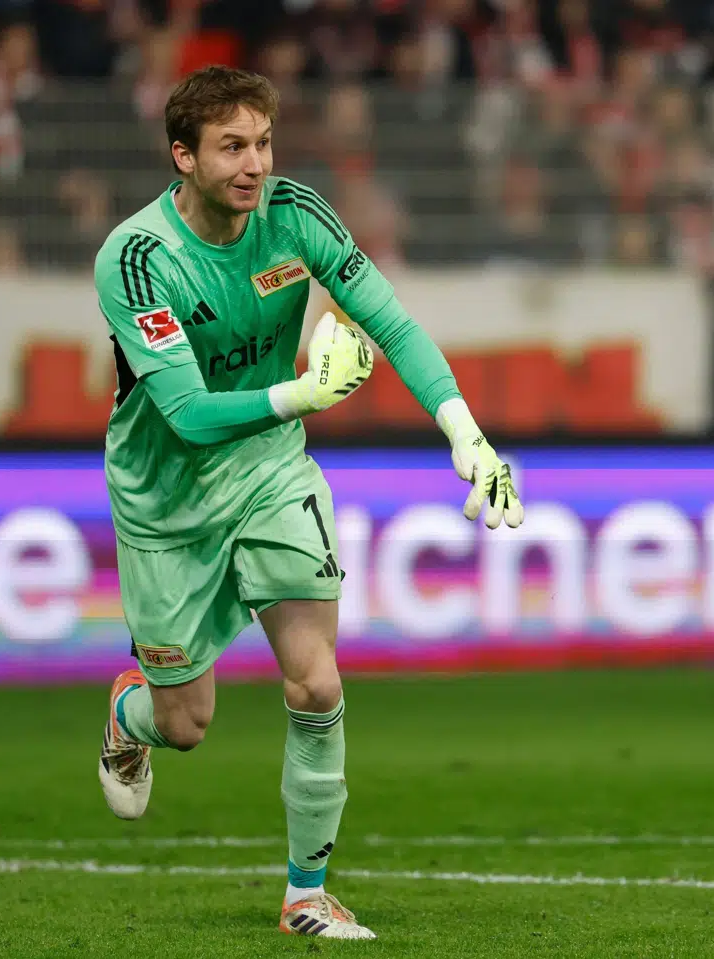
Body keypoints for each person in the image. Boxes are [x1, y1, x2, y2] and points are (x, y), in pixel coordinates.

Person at [93, 66, 524, 940]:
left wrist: (465, 433)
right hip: (163, 496)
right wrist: (302, 393)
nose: (255, 165)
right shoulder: (137, 259)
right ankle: (131, 710)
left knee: (316, 679)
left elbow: (391, 322)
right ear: (183, 156)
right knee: (189, 723)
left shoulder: (297, 216)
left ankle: (305, 894)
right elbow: (184, 413)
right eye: (231, 147)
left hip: (271, 474)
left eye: (262, 143)